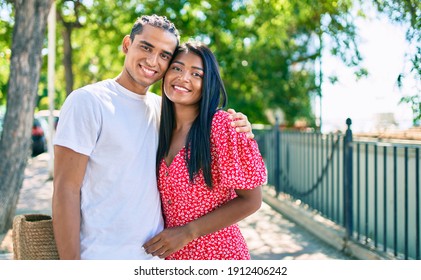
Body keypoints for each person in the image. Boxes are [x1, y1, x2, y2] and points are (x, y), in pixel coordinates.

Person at [52, 15, 253, 260]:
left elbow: (248, 195)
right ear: (127, 44)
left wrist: (238, 128)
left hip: (157, 258)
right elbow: (66, 190)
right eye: (146, 47)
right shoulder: (88, 101)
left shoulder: (164, 111)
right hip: (102, 256)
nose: (152, 60)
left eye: (164, 55)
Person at [143, 42, 267, 260]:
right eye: (177, 68)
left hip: (219, 255)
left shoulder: (222, 126)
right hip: (173, 259)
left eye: (196, 74)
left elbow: (251, 201)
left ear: (207, 82)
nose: (184, 78)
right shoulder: (159, 126)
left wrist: (189, 232)